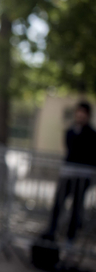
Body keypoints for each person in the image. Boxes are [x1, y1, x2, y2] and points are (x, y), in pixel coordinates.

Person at [44, 102, 96, 242]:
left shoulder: (91, 134)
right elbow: (70, 150)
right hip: (67, 174)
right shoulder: (70, 131)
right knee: (58, 204)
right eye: (78, 112)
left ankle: (70, 239)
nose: (80, 115)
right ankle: (51, 233)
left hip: (82, 176)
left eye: (83, 112)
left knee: (76, 209)